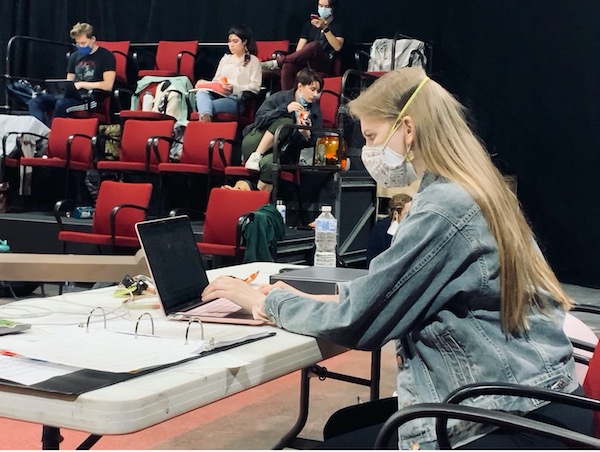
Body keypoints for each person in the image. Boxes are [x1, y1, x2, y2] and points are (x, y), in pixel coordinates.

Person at [202, 66, 593, 449]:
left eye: (372, 137)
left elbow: (360, 323)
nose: (369, 152)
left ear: (407, 129)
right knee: (344, 424)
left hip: (506, 415)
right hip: (539, 396)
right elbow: (387, 298)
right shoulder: (474, 187)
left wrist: (266, 300)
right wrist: (311, 300)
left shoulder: (443, 208)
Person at [241, 67, 323, 192]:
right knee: (286, 122)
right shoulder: (279, 98)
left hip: (279, 152)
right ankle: (256, 155)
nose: (315, 95)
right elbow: (259, 121)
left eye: (318, 91)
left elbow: (314, 140)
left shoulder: (315, 110)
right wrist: (284, 109)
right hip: (255, 140)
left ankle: (260, 205)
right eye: (312, 89)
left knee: (270, 165)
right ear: (300, 86)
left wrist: (305, 135)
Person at [28, 22, 116, 127]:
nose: (80, 46)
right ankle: (42, 130)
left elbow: (108, 85)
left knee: (61, 104)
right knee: (35, 102)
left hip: (91, 99)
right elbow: (68, 82)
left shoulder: (106, 56)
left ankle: (51, 133)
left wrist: (83, 84)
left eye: (83, 43)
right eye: (78, 43)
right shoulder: (74, 56)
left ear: (93, 39)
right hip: (72, 96)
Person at [261, 0, 344, 90]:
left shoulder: (338, 25)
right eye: (320, 6)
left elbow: (338, 47)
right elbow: (299, 50)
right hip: (307, 62)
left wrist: (325, 29)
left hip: (323, 63)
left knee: (315, 45)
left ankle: (278, 62)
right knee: (287, 66)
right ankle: (288, 99)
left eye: (326, 7)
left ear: (333, 8)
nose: (322, 9)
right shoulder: (309, 25)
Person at [194, 24, 261, 122]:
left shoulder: (253, 61)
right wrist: (206, 84)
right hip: (218, 94)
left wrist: (234, 87)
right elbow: (216, 80)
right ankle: (206, 121)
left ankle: (204, 121)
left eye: (235, 41)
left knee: (205, 106)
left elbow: (255, 87)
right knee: (201, 93)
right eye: (229, 41)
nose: (231, 45)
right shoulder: (225, 59)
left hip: (236, 100)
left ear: (244, 42)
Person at [366, 193, 412, 266]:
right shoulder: (380, 230)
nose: (411, 217)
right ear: (396, 214)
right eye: (407, 214)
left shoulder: (414, 226)